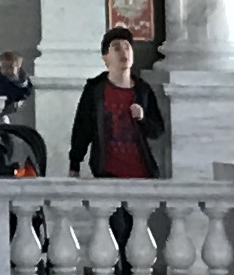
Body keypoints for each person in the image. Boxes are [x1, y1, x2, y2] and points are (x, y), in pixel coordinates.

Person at [67, 25, 171, 180]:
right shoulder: (95, 90)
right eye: (116, 48)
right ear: (105, 57)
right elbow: (82, 128)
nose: (124, 53)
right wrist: (74, 165)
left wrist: (142, 118)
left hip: (142, 174)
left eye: (127, 47)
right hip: (107, 173)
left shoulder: (143, 90)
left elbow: (157, 131)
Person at [0, 48, 47, 179]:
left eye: (11, 67)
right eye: (4, 67)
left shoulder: (22, 80)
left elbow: (25, 91)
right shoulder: (1, 81)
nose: (7, 71)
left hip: (4, 112)